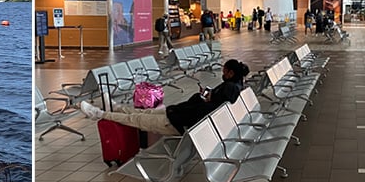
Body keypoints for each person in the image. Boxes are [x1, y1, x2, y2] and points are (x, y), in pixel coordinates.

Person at [80, 59, 252, 135]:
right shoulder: (235, 87)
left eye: (224, 71)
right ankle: (117, 108)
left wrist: (202, 99)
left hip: (178, 122)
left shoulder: (230, 89)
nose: (222, 73)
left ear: (230, 73)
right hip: (178, 114)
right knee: (144, 114)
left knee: (137, 119)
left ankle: (99, 114)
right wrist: (206, 97)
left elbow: (208, 109)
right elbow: (214, 104)